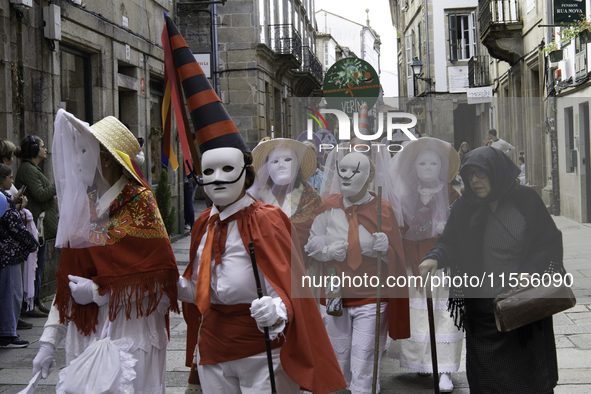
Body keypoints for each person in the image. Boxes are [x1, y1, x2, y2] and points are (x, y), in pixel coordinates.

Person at [164, 15, 346, 393]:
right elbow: (197, 283)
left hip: (261, 349)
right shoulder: (203, 224)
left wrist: (279, 308)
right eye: (207, 170)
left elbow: (286, 277)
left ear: (245, 174)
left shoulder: (266, 219)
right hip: (214, 346)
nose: (215, 179)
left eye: (225, 168)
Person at [31, 109, 180, 392]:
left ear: (108, 160)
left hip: (130, 329)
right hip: (84, 331)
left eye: (83, 151)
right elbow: (67, 282)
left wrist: (100, 293)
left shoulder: (140, 203)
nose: (75, 161)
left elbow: (159, 277)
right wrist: (48, 341)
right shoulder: (83, 207)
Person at [419, 146, 562, 394]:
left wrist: (531, 270)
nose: (474, 181)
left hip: (523, 306)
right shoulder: (466, 206)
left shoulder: (526, 200)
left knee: (528, 379)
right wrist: (434, 257)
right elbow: (449, 241)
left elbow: (547, 242)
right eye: (470, 175)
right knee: (486, 381)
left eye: (481, 173)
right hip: (483, 312)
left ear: (496, 172)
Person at [306, 151, 410, 394]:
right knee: (337, 354)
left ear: (369, 177)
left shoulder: (383, 209)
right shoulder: (328, 207)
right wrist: (330, 250)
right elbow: (312, 244)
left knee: (364, 356)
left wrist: (385, 250)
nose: (347, 176)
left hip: (371, 291)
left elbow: (396, 257)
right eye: (343, 170)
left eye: (355, 171)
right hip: (333, 287)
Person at [389, 137, 462, 393]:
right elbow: (398, 228)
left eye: (434, 162)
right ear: (415, 167)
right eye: (423, 163)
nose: (428, 167)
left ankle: (444, 369)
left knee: (444, 315)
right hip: (414, 263)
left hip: (444, 264)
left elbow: (462, 229)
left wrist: (448, 230)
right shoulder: (405, 196)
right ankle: (423, 361)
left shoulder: (453, 194)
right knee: (418, 315)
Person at [14, 135, 57, 318]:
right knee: (35, 266)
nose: (45, 149)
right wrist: (58, 185)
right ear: (33, 150)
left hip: (39, 226)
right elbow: (40, 194)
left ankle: (36, 301)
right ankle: (30, 304)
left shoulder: (32, 168)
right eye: (42, 146)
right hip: (34, 226)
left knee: (39, 265)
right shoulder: (27, 169)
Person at [0, 163, 38, 348]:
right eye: (10, 177)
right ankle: (7, 333)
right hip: (8, 254)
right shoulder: (4, 200)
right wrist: (32, 243)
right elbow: (16, 227)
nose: (12, 181)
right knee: (11, 292)